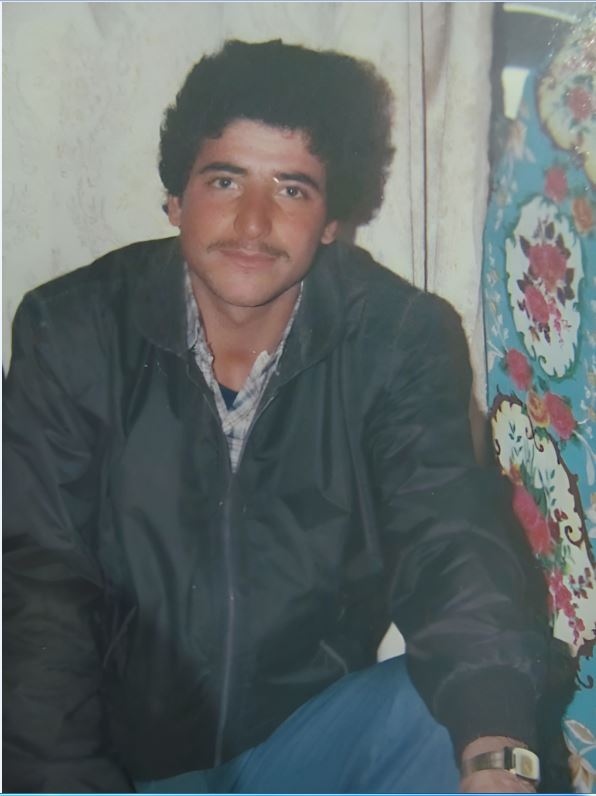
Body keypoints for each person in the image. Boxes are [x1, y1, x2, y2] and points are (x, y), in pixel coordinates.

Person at [4, 39, 546, 794]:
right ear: (175, 198)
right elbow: (40, 586)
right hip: (122, 771)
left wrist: (498, 755)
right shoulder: (74, 329)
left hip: (304, 755)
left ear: (330, 220)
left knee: (446, 716)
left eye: (292, 189)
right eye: (225, 181)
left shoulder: (398, 338)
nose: (254, 224)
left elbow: (448, 538)